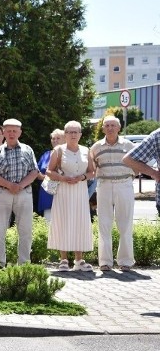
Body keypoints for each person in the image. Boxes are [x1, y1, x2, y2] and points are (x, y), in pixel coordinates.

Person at [0, 118, 39, 267]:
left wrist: (20, 185)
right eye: (8, 131)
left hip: (24, 194)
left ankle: (24, 263)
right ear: (3, 132)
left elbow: (34, 171)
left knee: (26, 231)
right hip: (2, 194)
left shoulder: (27, 149)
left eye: (14, 131)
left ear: (20, 132)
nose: (11, 133)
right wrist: (9, 185)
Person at [47, 121, 95, 271]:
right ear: (65, 134)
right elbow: (49, 171)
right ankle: (63, 260)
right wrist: (62, 178)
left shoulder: (86, 150)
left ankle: (79, 260)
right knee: (63, 221)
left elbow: (92, 172)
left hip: (80, 191)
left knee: (79, 222)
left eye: (76, 132)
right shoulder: (58, 150)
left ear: (80, 134)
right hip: (63, 191)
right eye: (70, 132)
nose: (73, 135)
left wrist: (81, 178)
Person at [91, 115, 136, 271]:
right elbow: (93, 169)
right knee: (104, 224)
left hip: (124, 185)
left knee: (125, 224)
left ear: (119, 128)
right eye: (107, 125)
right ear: (103, 128)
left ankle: (125, 262)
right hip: (104, 185)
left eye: (113, 125)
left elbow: (138, 165)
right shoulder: (95, 147)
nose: (109, 128)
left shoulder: (129, 145)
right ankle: (105, 262)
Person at [124, 127, 160, 216]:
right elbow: (129, 159)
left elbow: (129, 159)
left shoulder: (157, 135)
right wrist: (154, 173)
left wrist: (154, 173)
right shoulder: (157, 136)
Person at [37, 129, 64, 221]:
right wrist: (45, 177)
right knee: (49, 224)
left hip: (64, 193)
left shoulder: (69, 155)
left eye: (58, 138)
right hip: (47, 194)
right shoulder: (46, 155)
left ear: (64, 139)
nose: (55, 140)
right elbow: (36, 171)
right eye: (53, 138)